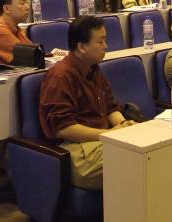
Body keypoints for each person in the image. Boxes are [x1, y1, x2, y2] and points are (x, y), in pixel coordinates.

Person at [39, 16, 135, 190]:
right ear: (82, 47)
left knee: (149, 151)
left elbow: (110, 107)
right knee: (137, 162)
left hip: (100, 141)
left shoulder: (93, 68)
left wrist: (123, 125)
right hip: (77, 149)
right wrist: (109, 134)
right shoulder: (61, 76)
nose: (106, 46)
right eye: (100, 41)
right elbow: (63, 128)